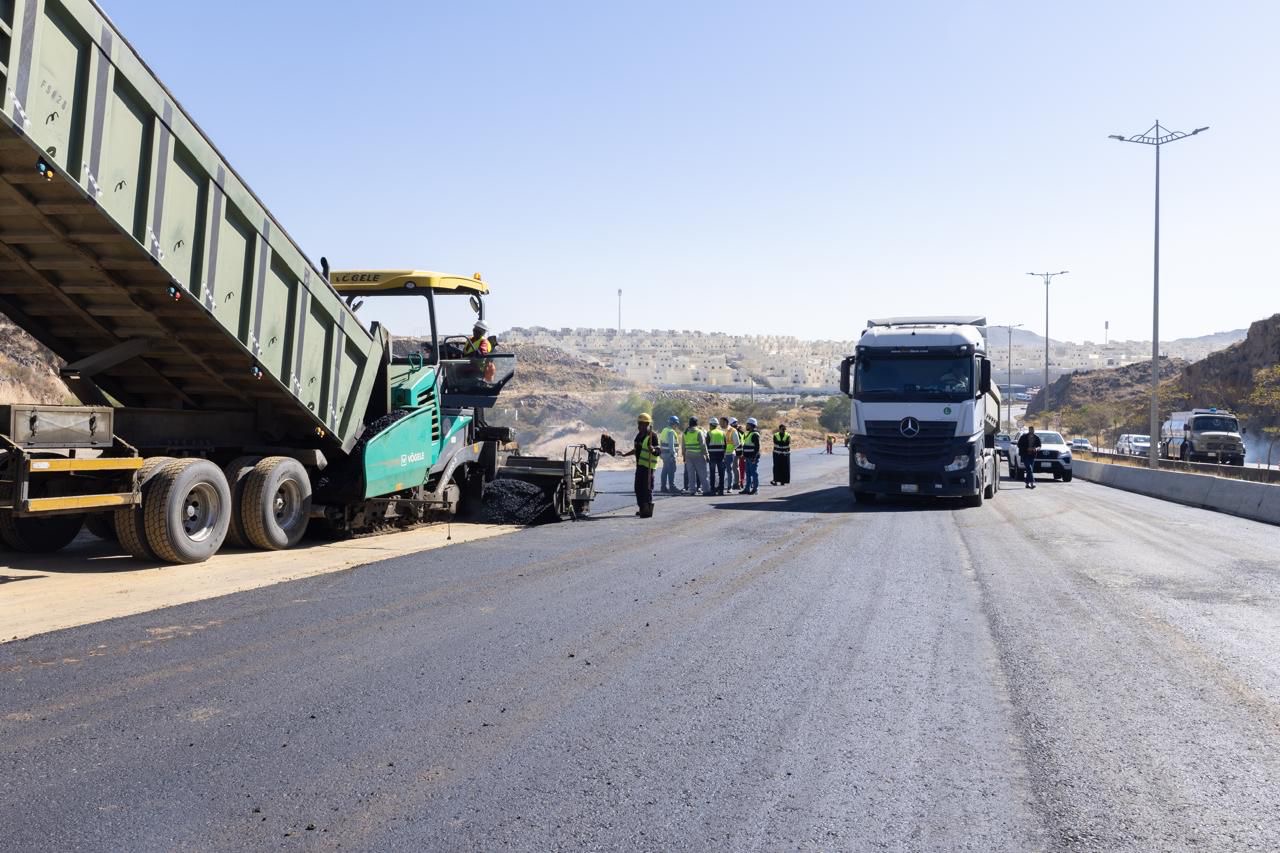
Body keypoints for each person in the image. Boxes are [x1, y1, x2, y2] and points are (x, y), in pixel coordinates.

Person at [620, 412, 660, 516]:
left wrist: (653, 450)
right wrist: (625, 454)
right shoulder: (638, 436)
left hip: (648, 467)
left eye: (641, 424)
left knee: (647, 488)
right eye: (639, 423)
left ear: (647, 424)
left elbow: (658, 451)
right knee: (638, 488)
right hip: (640, 466)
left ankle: (647, 508)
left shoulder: (652, 436)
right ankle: (642, 507)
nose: (639, 426)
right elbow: (636, 449)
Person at [682, 416, 709, 496]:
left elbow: (683, 446)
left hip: (688, 455)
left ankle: (692, 490)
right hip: (698, 455)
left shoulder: (685, 433)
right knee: (702, 473)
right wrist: (706, 455)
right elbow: (703, 445)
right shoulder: (699, 432)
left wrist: (684, 456)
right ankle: (706, 490)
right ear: (697, 423)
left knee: (691, 474)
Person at [658, 415, 681, 494]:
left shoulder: (664, 430)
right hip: (669, 454)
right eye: (676, 424)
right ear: (674, 423)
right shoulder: (671, 431)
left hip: (664, 453)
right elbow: (671, 445)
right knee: (671, 470)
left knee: (665, 470)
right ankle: (672, 486)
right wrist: (673, 455)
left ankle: (663, 487)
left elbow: (661, 442)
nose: (677, 426)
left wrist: (661, 453)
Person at [706, 418, 727, 496]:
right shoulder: (722, 433)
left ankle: (712, 490)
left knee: (712, 473)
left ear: (711, 425)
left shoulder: (709, 433)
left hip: (712, 456)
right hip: (721, 455)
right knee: (721, 473)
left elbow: (707, 445)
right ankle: (721, 490)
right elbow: (725, 445)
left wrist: (707, 455)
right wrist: (724, 454)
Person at [739, 418, 761, 494]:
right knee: (748, 473)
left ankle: (755, 489)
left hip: (752, 457)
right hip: (747, 457)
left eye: (747, 424)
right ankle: (747, 489)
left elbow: (757, 447)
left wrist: (754, 457)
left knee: (754, 473)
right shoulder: (749, 433)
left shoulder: (755, 434)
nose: (746, 426)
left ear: (751, 425)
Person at [724, 417, 741, 491]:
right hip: (733, 452)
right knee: (733, 469)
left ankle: (736, 484)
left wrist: (733, 450)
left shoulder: (735, 431)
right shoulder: (729, 431)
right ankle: (735, 483)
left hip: (734, 452)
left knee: (734, 468)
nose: (736, 424)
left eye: (736, 423)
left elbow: (738, 443)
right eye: (734, 423)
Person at [730, 417, 746, 489]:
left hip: (736, 452)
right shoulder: (741, 432)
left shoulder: (734, 432)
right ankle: (741, 482)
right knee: (741, 468)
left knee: (736, 468)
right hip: (741, 452)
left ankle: (737, 483)